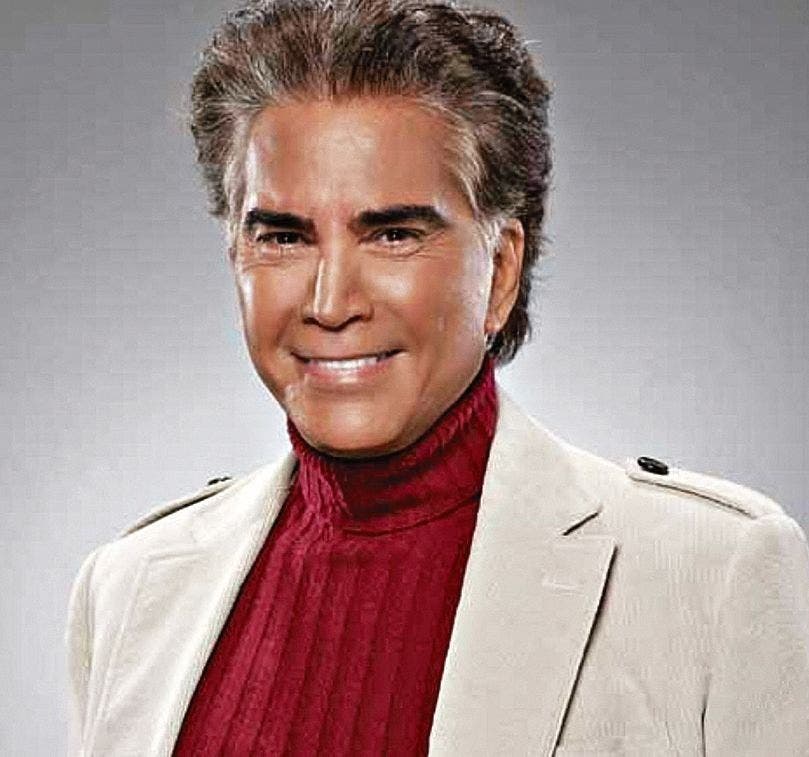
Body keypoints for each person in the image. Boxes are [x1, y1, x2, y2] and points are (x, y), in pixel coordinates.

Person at [65, 1, 809, 754]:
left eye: (392, 234)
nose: (331, 303)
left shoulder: (712, 575)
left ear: (501, 270)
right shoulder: (128, 588)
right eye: (284, 238)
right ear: (236, 259)